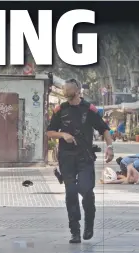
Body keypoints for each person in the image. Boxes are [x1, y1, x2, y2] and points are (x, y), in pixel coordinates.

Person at [47, 78, 113, 244]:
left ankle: (89, 222)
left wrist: (110, 146)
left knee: (86, 190)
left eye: (67, 90)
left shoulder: (88, 109)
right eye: (64, 90)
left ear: (76, 91)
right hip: (66, 157)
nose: (65, 93)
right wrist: (63, 135)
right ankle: (74, 230)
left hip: (85, 157)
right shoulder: (60, 110)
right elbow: (50, 132)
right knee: (70, 193)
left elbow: (104, 129)